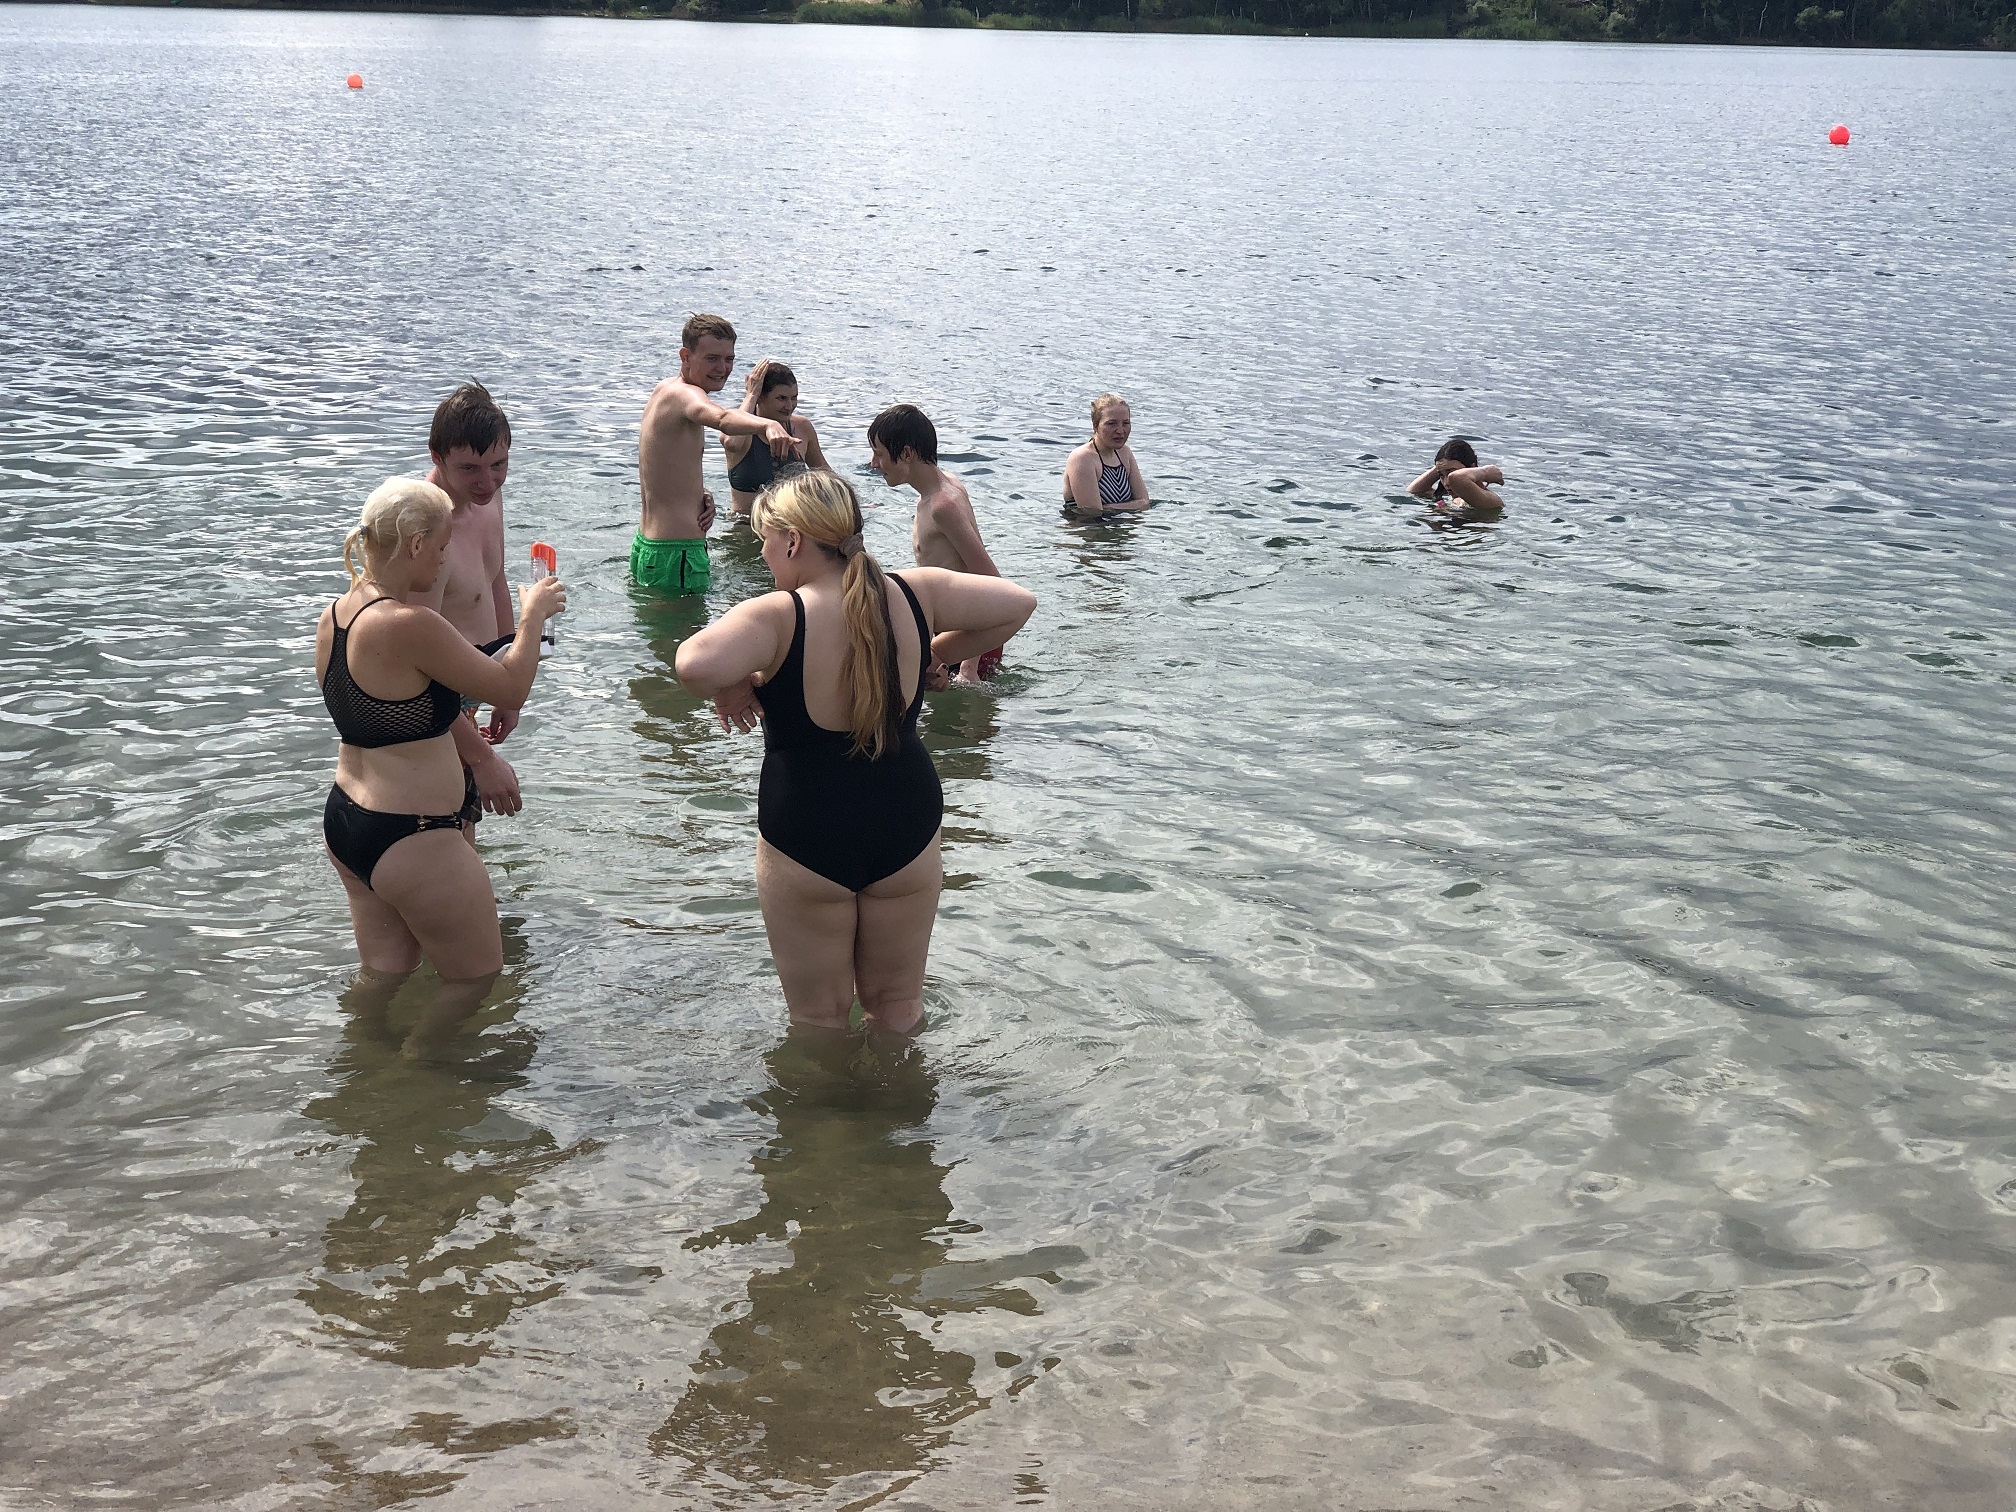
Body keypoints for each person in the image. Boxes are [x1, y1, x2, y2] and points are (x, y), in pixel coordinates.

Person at [673, 472, 1036, 1034]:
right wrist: (936, 653)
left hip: (807, 826)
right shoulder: (915, 592)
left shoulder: (779, 614)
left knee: (818, 1019)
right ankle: (904, 1091)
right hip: (905, 819)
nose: (764, 553)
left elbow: (694, 664)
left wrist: (737, 680)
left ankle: (829, 1097)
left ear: (793, 541)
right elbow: (1018, 603)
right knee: (898, 1009)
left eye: (766, 539)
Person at [317, 478, 567, 1054]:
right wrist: (533, 619)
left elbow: (389, 709)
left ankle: (361, 1070)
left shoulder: (336, 616)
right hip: (414, 835)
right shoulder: (409, 624)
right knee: (475, 980)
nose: (445, 558)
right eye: (441, 545)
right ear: (413, 544)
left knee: (384, 976)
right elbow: (510, 686)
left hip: (349, 821)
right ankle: (417, 1069)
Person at [408, 382, 524, 825]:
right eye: (470, 469)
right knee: (439, 829)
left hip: (468, 690)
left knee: (462, 829)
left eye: (499, 465)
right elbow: (415, 666)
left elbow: (495, 582)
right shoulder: (425, 530)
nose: (487, 481)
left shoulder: (487, 499)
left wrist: (506, 685)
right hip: (431, 707)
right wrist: (481, 757)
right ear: (436, 457)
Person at [635, 314, 797, 596]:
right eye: (712, 358)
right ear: (686, 356)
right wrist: (768, 425)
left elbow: (662, 467)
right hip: (678, 553)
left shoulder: (665, 390)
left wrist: (698, 494)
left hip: (652, 546)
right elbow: (721, 418)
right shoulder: (686, 395)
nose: (722, 368)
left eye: (729, 359)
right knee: (687, 627)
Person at [867, 403, 1004, 684]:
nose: (874, 463)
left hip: (969, 642)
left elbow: (991, 580)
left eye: (879, 453)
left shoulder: (943, 506)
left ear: (907, 454)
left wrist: (968, 666)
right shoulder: (940, 489)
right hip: (958, 635)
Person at [723, 359, 829, 515]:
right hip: (746, 525)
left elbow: (826, 475)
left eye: (794, 398)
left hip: (792, 523)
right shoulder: (740, 429)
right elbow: (731, 443)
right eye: (782, 398)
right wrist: (751, 395)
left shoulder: (802, 427)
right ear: (760, 397)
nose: (789, 406)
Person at [1063, 392, 1151, 516]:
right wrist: (1132, 506)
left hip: (1122, 527)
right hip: (1087, 527)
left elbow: (1145, 502)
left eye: (1125, 423)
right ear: (1095, 426)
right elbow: (1092, 513)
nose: (1120, 431)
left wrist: (1107, 508)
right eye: (1111, 423)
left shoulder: (1124, 453)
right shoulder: (1082, 458)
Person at [1407, 438, 1504, 514]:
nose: (1446, 483)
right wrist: (1441, 467)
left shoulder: (1489, 498)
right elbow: (1414, 490)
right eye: (1441, 476)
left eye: (1451, 473)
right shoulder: (1448, 498)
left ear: (1472, 467)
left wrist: (1486, 472)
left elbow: (1458, 478)